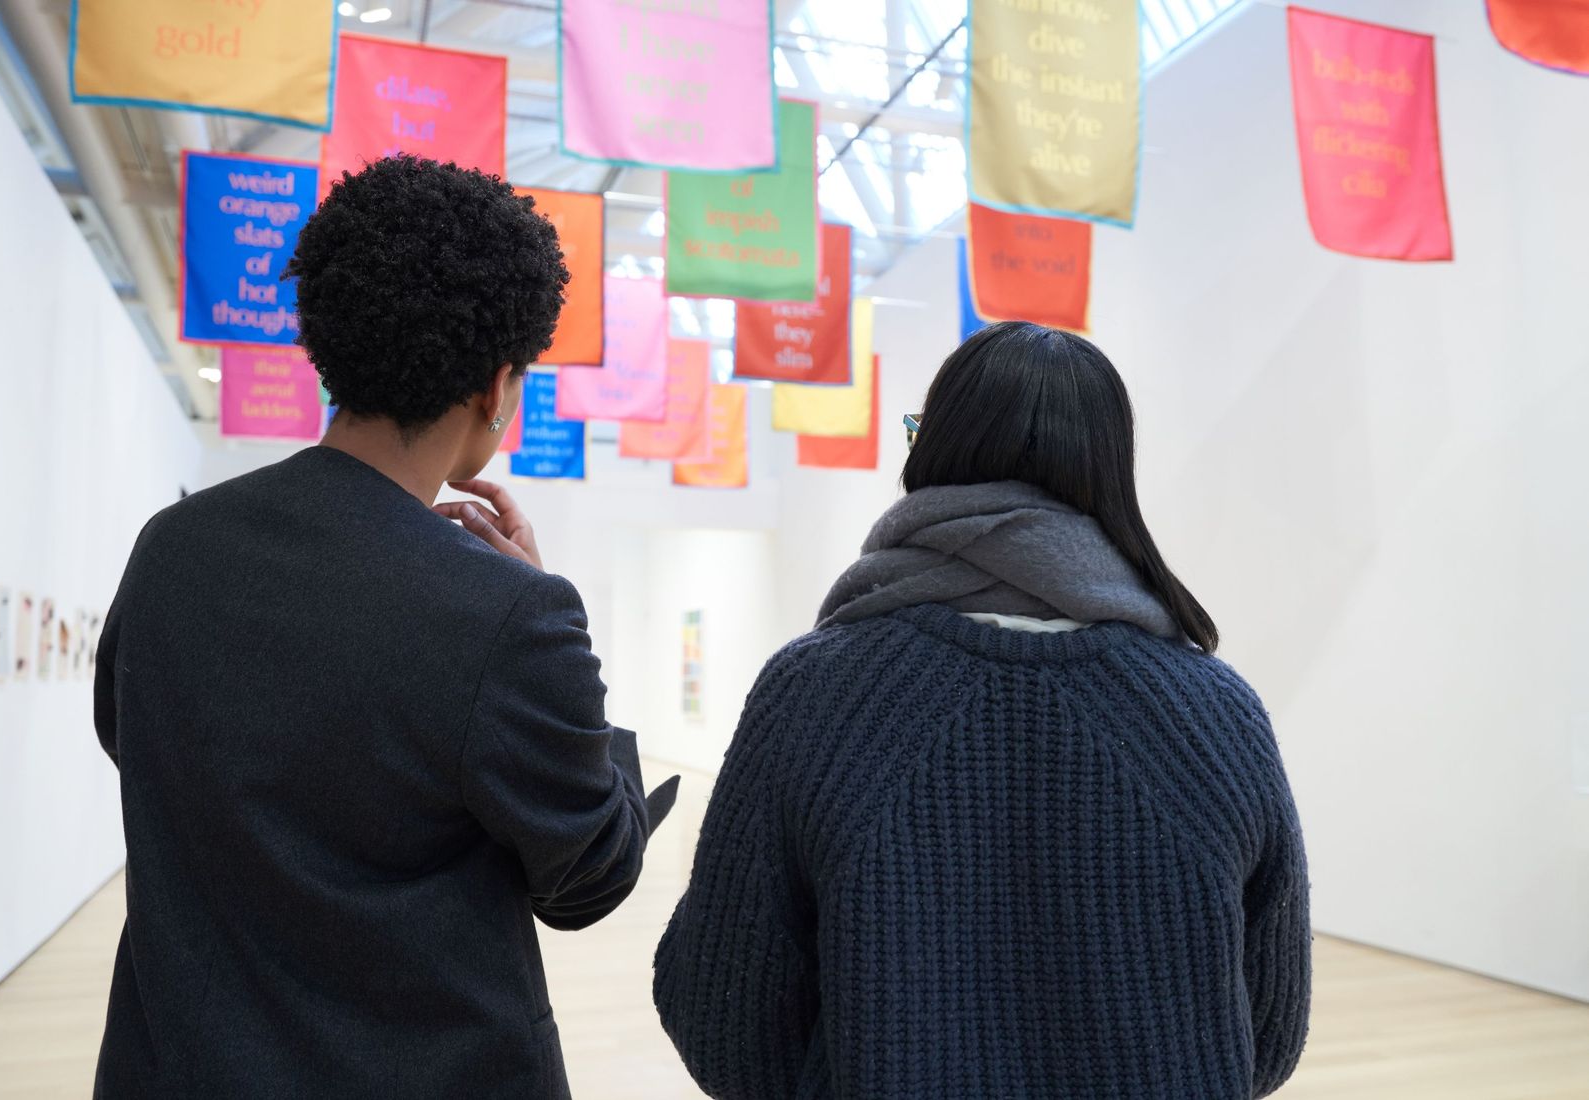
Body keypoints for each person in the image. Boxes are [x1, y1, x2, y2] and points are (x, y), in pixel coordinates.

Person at [93, 156, 675, 1099]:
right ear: (496, 387)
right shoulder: (508, 611)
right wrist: (549, 626)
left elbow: (141, 747)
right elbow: (589, 879)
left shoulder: (172, 549)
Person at [654, 322, 1311, 1099]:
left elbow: (725, 1016)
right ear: (1109, 472)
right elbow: (1267, 1028)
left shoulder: (813, 692)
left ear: (931, 452)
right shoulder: (1217, 712)